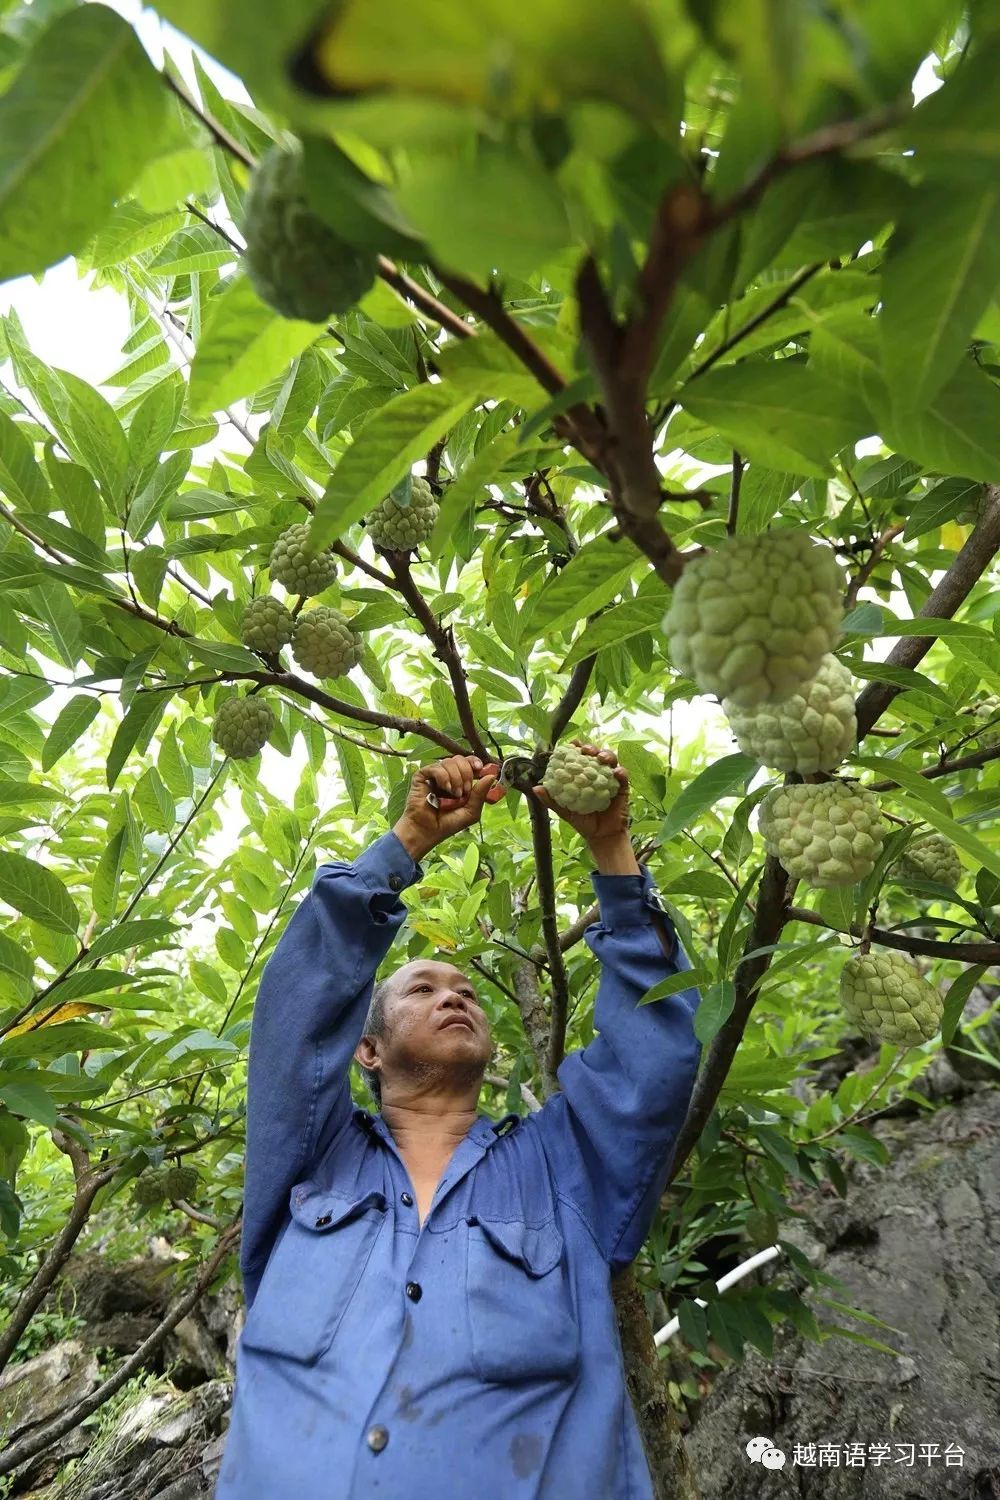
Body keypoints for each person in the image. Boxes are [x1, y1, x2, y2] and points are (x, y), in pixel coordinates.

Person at [215, 741, 702, 1499]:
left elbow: (657, 1058)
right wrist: (407, 842)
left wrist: (611, 847)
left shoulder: (565, 1170)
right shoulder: (310, 1166)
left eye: (468, 992)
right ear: (367, 1050)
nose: (454, 996)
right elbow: (294, 1012)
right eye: (422, 989)